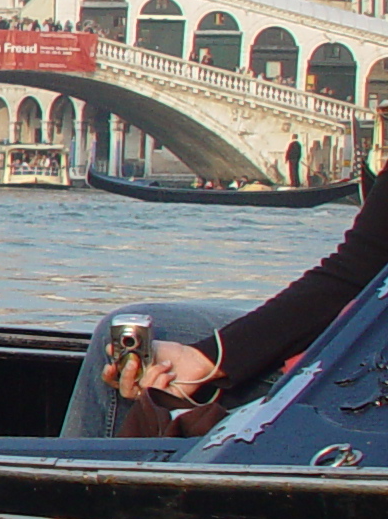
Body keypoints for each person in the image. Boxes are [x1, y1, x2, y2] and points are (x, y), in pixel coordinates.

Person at [61, 166, 388, 436]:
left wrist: (212, 358)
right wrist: (213, 356)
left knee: (130, 346)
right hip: (365, 331)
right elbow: (361, 271)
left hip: (367, 365)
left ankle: (79, 499)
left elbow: (355, 272)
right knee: (131, 341)